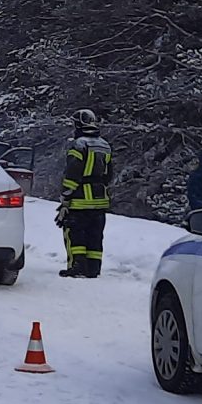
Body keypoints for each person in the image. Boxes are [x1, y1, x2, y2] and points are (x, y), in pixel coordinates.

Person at [58, 109, 113, 278]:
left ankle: (78, 266)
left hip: (80, 200)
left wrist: (65, 196)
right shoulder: (105, 145)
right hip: (100, 200)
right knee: (95, 235)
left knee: (75, 233)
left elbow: (72, 174)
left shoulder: (79, 145)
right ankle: (93, 268)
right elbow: (108, 175)